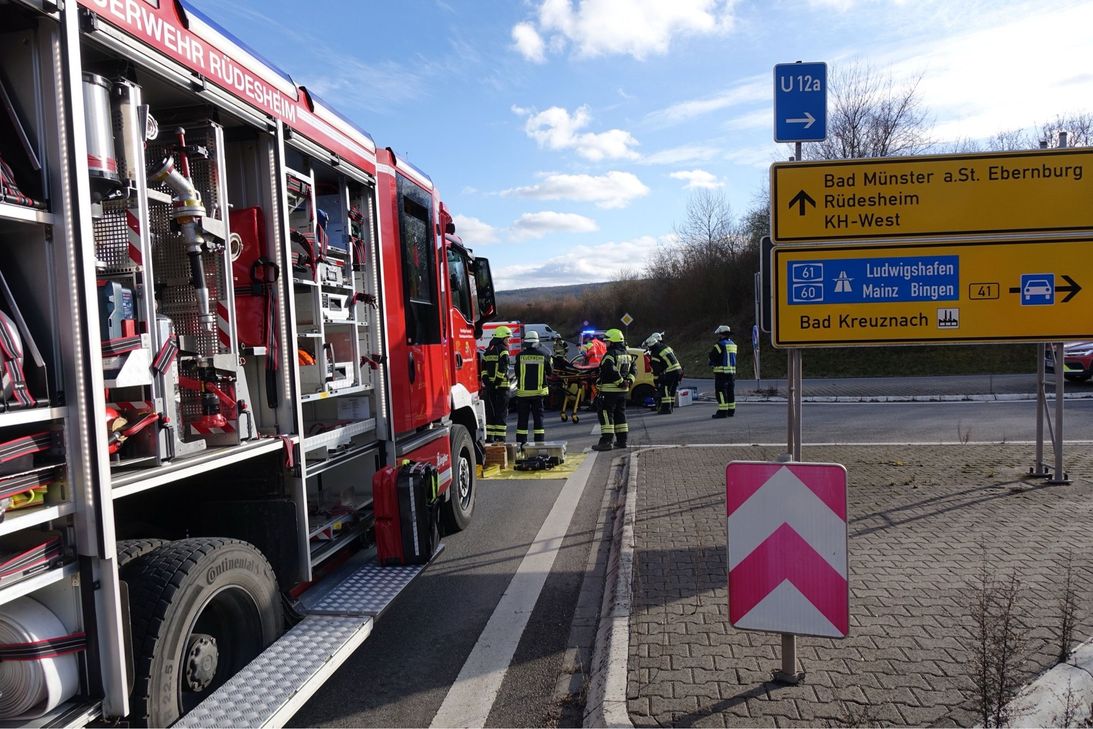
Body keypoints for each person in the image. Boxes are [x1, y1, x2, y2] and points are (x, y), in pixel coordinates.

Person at [593, 328, 634, 451]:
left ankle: (606, 441)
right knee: (620, 415)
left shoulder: (610, 355)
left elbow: (610, 370)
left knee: (605, 414)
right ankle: (622, 441)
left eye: (607, 342)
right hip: (622, 393)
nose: (606, 344)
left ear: (613, 342)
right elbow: (634, 370)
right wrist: (629, 381)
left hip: (609, 392)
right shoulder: (627, 354)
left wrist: (620, 382)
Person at [514, 330, 552, 445]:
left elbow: (517, 373)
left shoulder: (519, 356)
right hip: (538, 394)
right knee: (538, 419)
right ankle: (539, 442)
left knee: (522, 420)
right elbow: (550, 372)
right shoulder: (544, 355)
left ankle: (521, 444)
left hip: (523, 394)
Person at [480, 325, 512, 442]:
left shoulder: (488, 350)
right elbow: (504, 367)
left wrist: (488, 382)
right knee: (502, 413)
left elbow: (483, 369)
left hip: (489, 389)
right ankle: (501, 438)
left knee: (491, 413)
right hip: (502, 387)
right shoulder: (504, 350)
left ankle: (490, 438)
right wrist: (497, 382)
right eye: (507, 338)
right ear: (501, 337)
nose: (509, 340)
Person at [643, 332, 683, 415]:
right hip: (678, 370)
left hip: (671, 371)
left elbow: (657, 370)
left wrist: (656, 381)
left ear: (651, 346)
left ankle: (665, 409)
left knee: (664, 388)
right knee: (672, 389)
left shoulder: (655, 353)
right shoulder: (665, 347)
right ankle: (670, 407)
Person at [708, 324, 737, 418]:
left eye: (719, 334)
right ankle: (731, 410)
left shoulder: (719, 345)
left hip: (721, 373)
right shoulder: (733, 344)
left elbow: (712, 356)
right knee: (730, 392)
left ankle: (723, 411)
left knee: (720, 392)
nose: (718, 336)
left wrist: (711, 363)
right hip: (732, 373)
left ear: (721, 334)